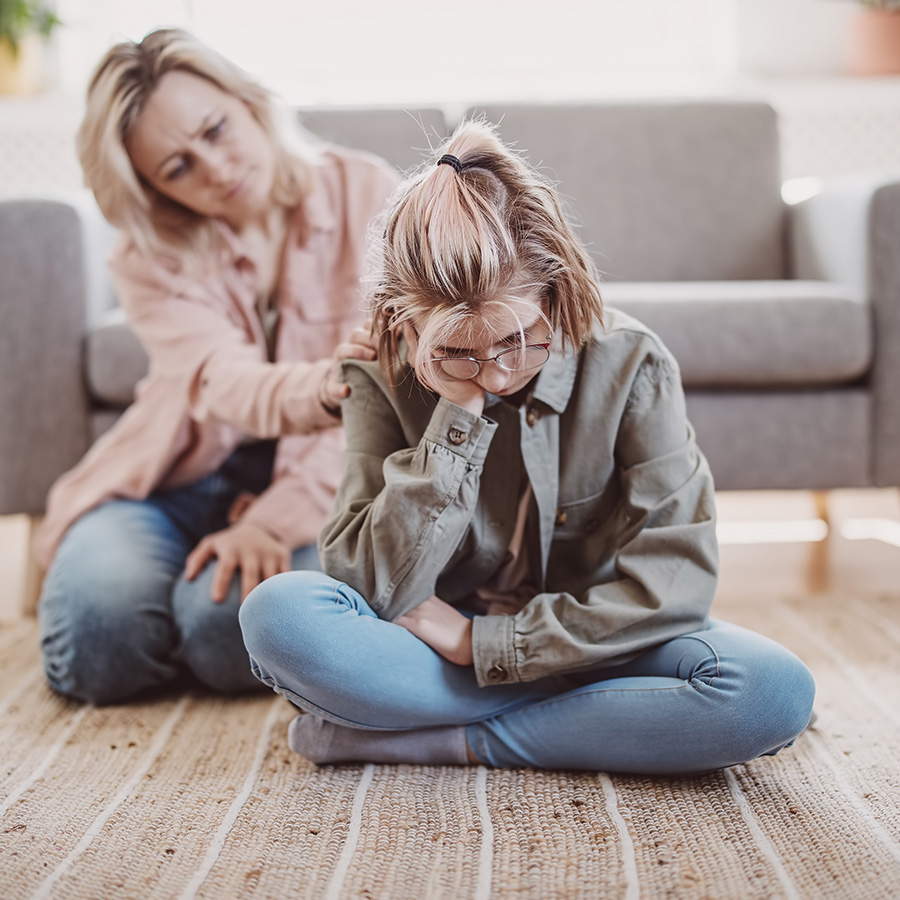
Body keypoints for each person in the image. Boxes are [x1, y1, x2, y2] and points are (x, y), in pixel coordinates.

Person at [238, 120, 815, 773]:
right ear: (404, 319)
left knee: (771, 693)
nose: (497, 374)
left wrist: (482, 644)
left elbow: (673, 584)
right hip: (442, 652)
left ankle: (446, 738)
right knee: (279, 616)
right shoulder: (379, 372)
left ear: (553, 289)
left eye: (517, 340)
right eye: (456, 351)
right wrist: (454, 415)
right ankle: (600, 716)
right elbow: (375, 585)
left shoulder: (631, 363)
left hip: (594, 639)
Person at [35, 28, 398, 705]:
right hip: (172, 485)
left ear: (246, 98)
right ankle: (170, 590)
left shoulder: (368, 194)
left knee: (221, 634)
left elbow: (391, 401)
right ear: (152, 186)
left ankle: (186, 607)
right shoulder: (147, 256)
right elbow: (220, 381)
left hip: (323, 485)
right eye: (177, 168)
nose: (214, 168)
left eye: (215, 129)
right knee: (97, 645)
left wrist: (269, 521)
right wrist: (323, 385)